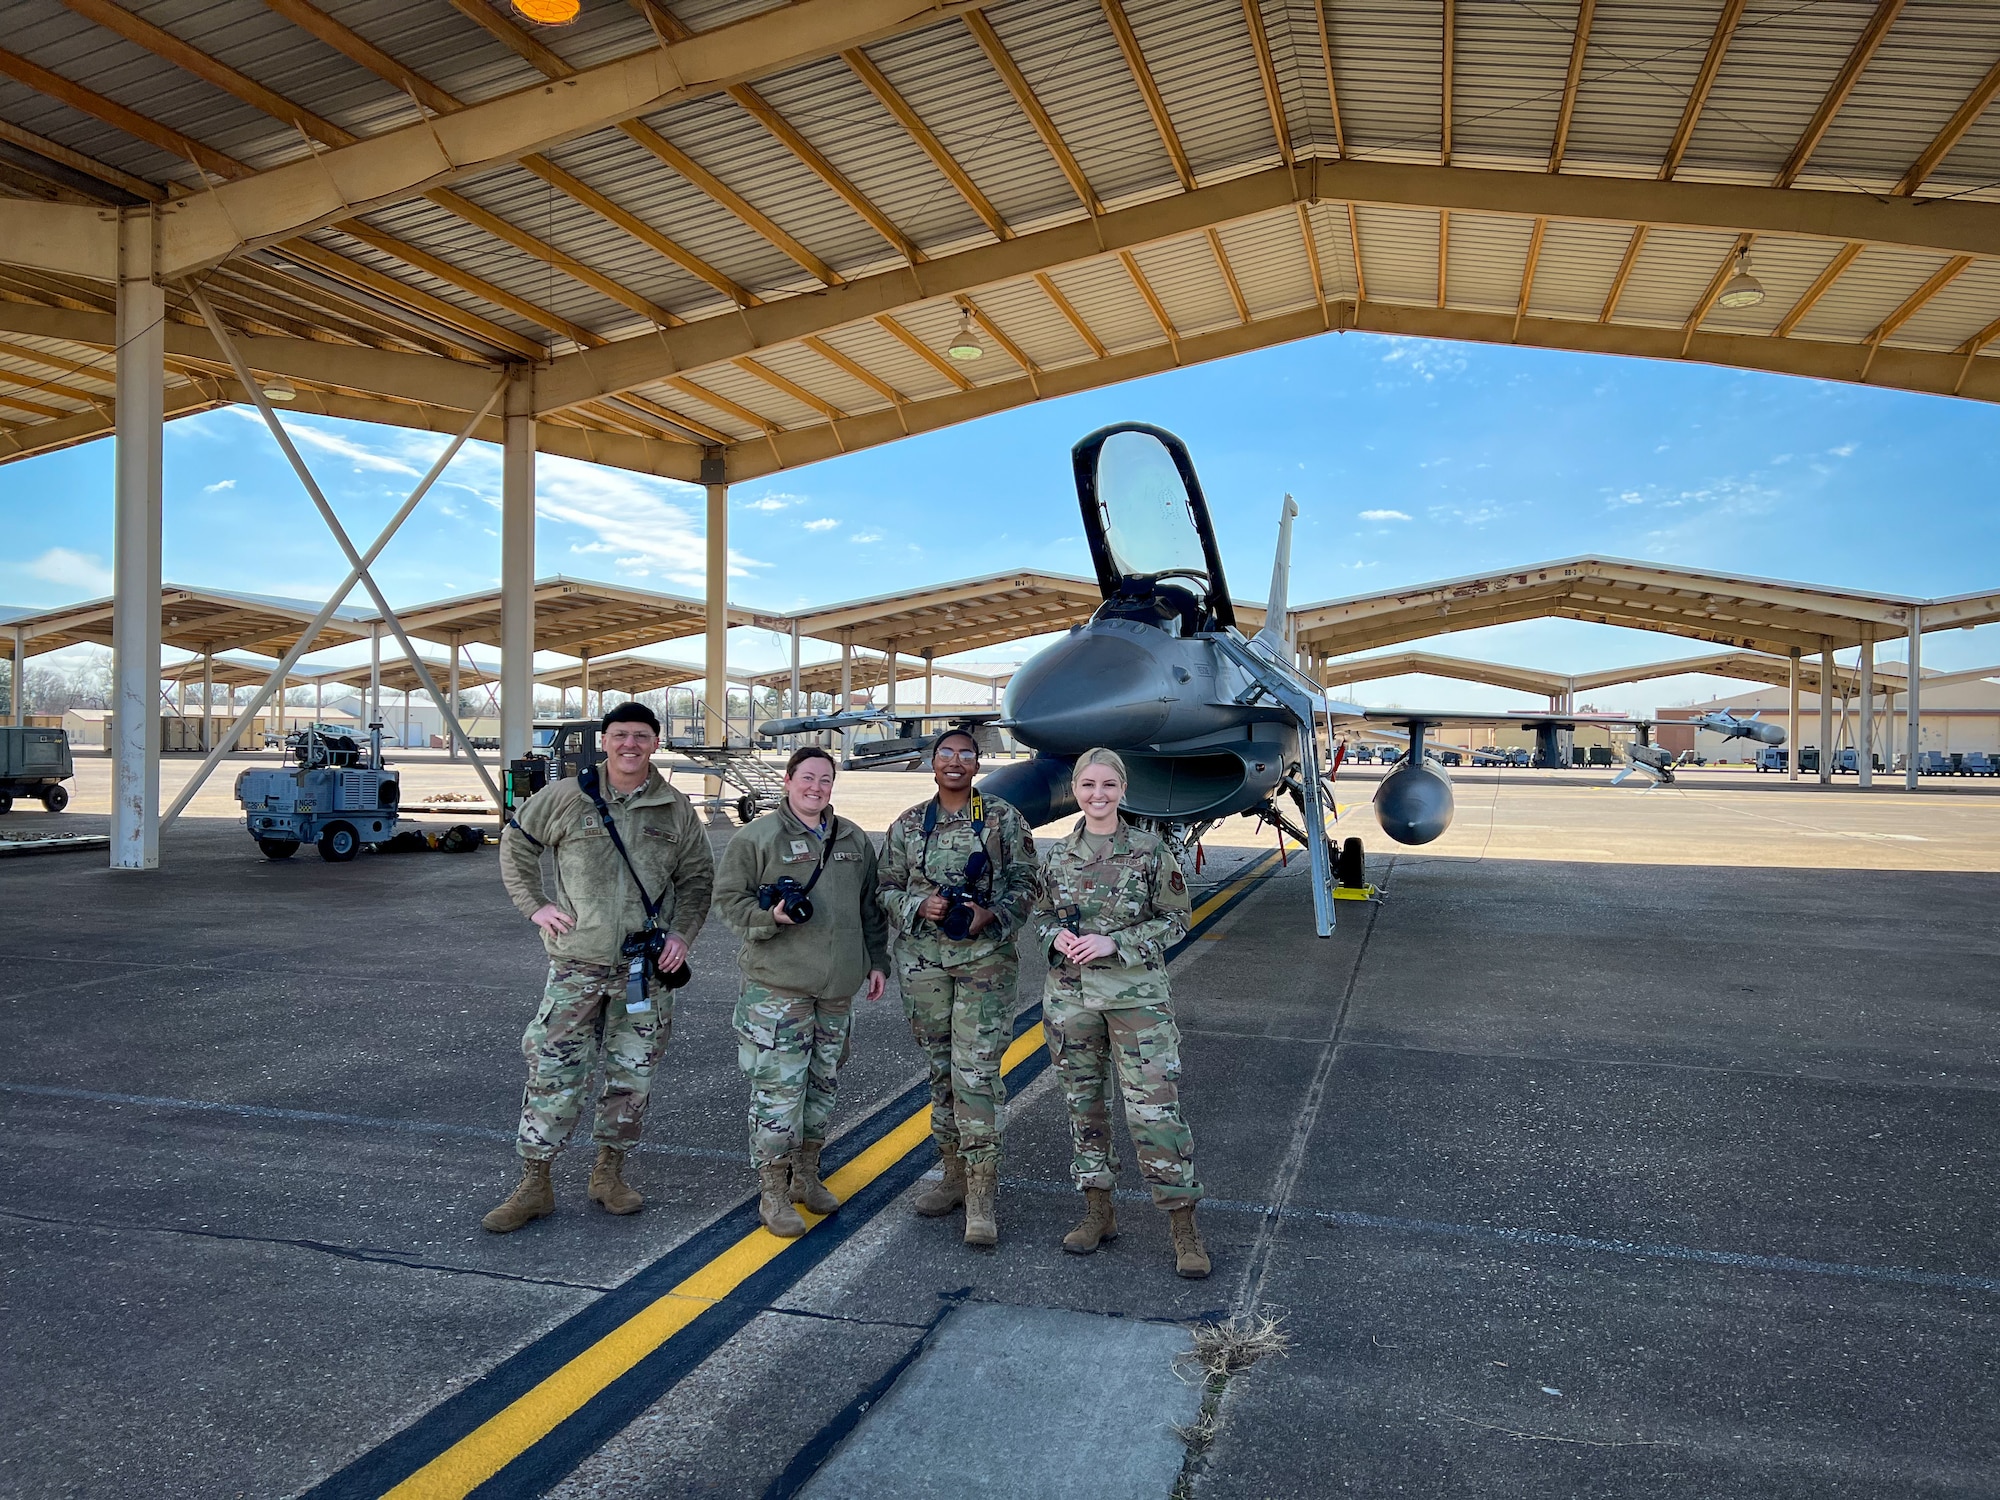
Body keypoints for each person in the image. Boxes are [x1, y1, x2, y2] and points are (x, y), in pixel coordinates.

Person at [486, 702, 713, 1233]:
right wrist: (535, 904)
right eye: (619, 735)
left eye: (640, 736)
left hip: (644, 969)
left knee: (631, 1076)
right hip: (577, 967)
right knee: (553, 1072)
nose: (629, 744)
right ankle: (535, 1183)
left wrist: (681, 934)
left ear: (655, 743)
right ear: (605, 741)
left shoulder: (675, 808)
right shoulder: (567, 797)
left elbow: (699, 879)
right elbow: (517, 839)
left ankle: (608, 1174)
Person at [1031, 747, 1209, 1278]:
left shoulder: (1150, 851)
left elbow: (1177, 920)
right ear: (1076, 790)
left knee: (1154, 1114)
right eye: (1087, 785)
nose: (1098, 795)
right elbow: (1039, 916)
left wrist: (1116, 944)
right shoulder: (1058, 854)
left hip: (1136, 1001)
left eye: (1108, 785)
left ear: (1123, 789)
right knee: (1085, 1110)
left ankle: (1183, 1225)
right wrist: (1054, 935)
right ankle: (1098, 1212)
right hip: (1069, 1001)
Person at [714, 746, 889, 1238]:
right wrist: (768, 919)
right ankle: (771, 1193)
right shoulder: (757, 837)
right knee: (778, 1094)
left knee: (822, 1087)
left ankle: (806, 1177)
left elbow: (871, 909)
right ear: (788, 780)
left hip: (836, 990)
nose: (816, 787)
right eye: (807, 778)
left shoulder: (852, 838)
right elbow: (728, 901)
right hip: (778, 989)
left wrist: (878, 961)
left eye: (825, 780)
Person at [876, 728, 1037, 1247]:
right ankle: (953, 1177)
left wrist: (993, 914)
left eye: (965, 755)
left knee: (977, 1073)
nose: (954, 762)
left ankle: (983, 1195)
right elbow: (885, 888)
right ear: (932, 761)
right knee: (941, 1070)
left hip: (985, 962)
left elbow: (1027, 881)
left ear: (977, 764)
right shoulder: (907, 825)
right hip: (922, 963)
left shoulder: (1003, 818)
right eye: (945, 753)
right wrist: (918, 907)